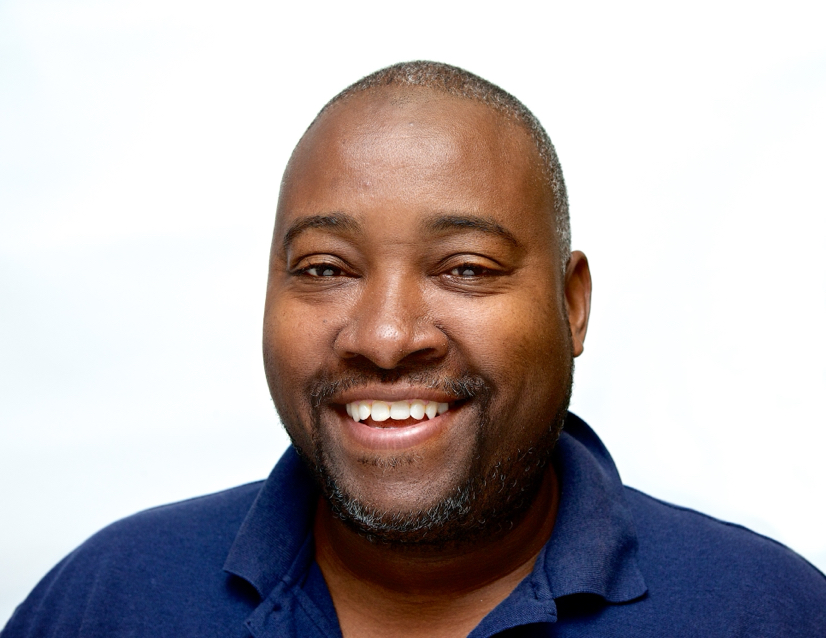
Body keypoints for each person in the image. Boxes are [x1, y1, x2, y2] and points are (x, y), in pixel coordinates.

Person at [3, 61, 825, 638]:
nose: (386, 338)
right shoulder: (105, 600)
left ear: (572, 306)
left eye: (465, 269)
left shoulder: (770, 614)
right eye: (325, 268)